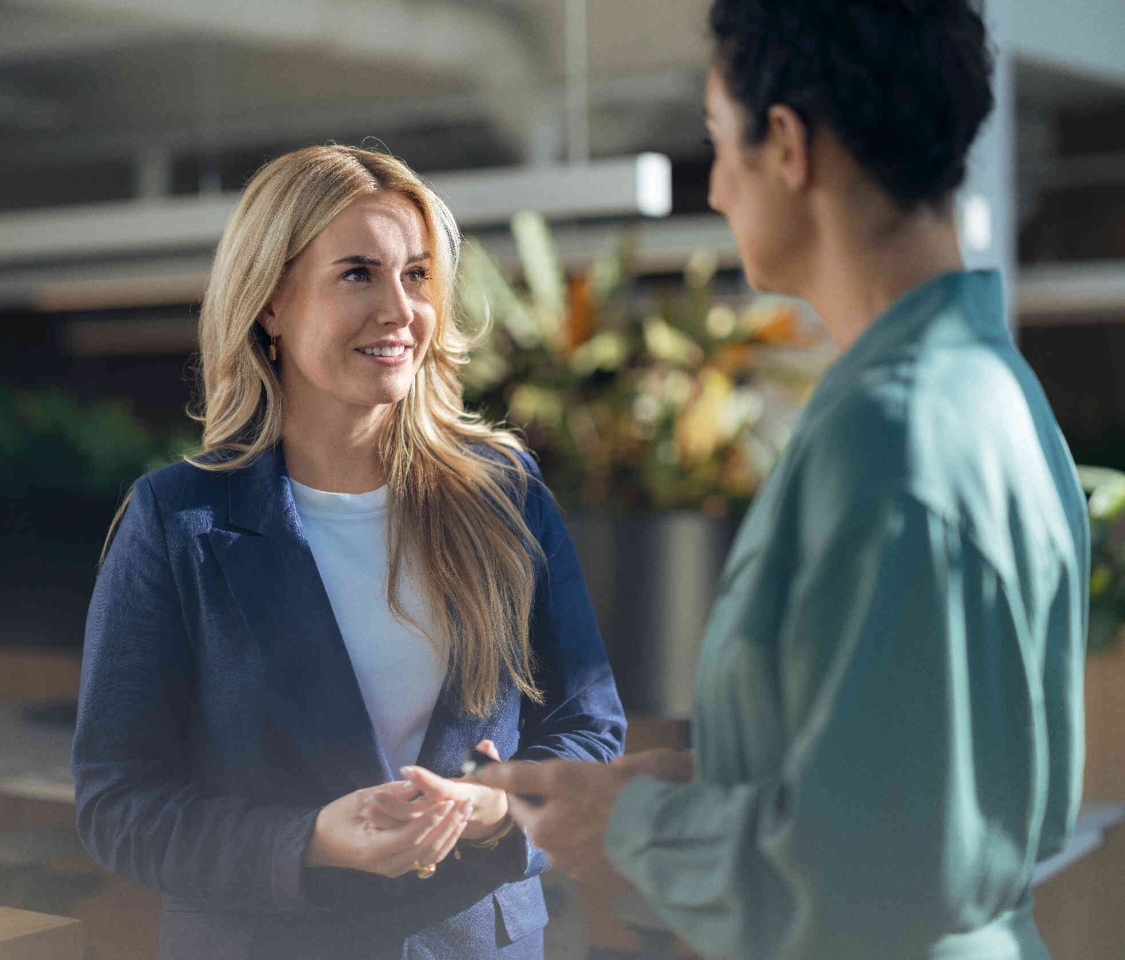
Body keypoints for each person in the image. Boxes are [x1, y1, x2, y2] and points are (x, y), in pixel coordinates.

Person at [478, 2, 1089, 958]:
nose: (718, 189)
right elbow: (899, 777)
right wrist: (673, 787)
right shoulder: (990, 397)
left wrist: (626, 828)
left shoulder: (895, 441)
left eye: (721, 144)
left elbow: (875, 869)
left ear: (792, 147)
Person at [72, 144, 626, 960]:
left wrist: (496, 807)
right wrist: (309, 841)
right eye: (358, 273)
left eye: (417, 275)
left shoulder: (505, 495)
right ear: (270, 303)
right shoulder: (176, 520)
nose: (399, 309)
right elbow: (117, 804)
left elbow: (589, 728)